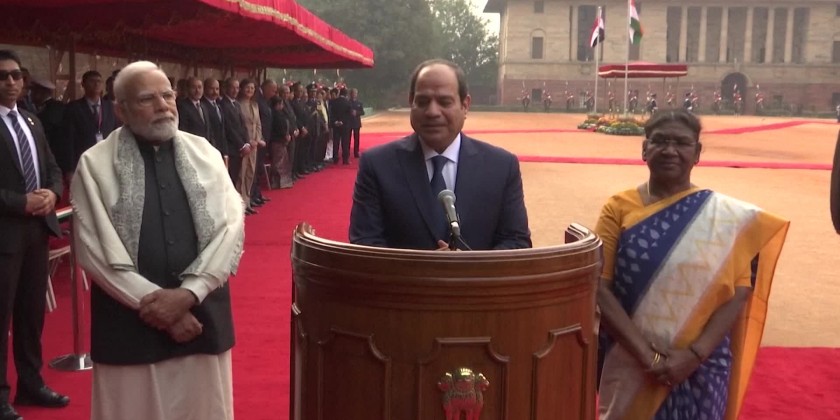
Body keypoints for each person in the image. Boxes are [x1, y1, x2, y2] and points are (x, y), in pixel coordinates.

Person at [71, 60, 244, 420]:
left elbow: (230, 228)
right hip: (129, 320)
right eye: (147, 99)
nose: (163, 106)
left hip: (201, 314)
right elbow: (94, 251)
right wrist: (159, 308)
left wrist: (188, 294)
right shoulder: (94, 164)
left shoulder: (206, 154)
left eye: (167, 95)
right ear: (120, 110)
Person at [595, 110, 789, 420]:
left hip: (701, 365)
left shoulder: (723, 218)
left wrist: (694, 356)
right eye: (660, 141)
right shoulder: (618, 208)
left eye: (681, 143)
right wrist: (648, 358)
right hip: (631, 361)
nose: (669, 150)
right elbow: (599, 289)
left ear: (697, 153)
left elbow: (738, 292)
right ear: (644, 149)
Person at [349, 59, 531, 250]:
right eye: (423, 102)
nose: (432, 112)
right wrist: (425, 265)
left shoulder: (501, 167)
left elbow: (516, 242)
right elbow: (365, 244)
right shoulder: (377, 165)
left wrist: (471, 264)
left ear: (465, 105)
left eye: (444, 102)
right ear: (411, 102)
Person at [0, 50, 68, 420]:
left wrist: (53, 193)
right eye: (3, 76)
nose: (11, 82)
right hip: (5, 233)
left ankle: (31, 383)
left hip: (37, 230)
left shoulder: (31, 120)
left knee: (31, 314)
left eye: (16, 75)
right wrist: (19, 202)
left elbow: (53, 167)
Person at [63, 70, 118, 174]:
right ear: (83, 84)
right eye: (92, 81)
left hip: (107, 160)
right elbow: (68, 139)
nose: (96, 84)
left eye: (99, 81)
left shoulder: (110, 107)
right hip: (84, 160)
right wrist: (69, 169)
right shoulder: (74, 108)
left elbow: (116, 133)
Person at [348, 88, 364, 158]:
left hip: (357, 123)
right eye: (353, 93)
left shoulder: (359, 103)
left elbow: (362, 112)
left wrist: (357, 113)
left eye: (355, 93)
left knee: (356, 139)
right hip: (349, 123)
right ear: (350, 94)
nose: (354, 94)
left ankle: (356, 152)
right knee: (347, 139)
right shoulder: (348, 102)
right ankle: (347, 152)